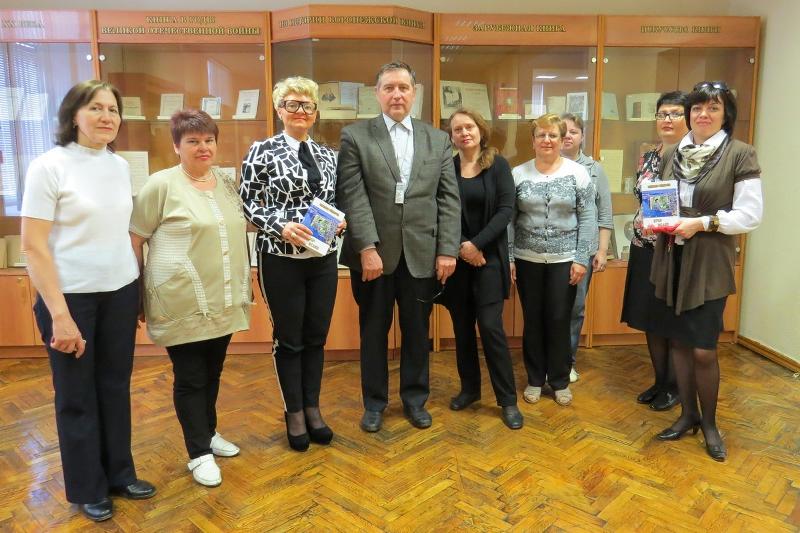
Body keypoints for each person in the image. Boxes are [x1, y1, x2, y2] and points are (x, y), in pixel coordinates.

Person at [20, 80, 155, 522]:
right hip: (70, 298)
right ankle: (88, 486)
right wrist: (59, 315)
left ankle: (119, 473)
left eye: (113, 110)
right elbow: (33, 247)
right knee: (76, 394)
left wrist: (136, 294)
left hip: (119, 290)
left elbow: (121, 234)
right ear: (73, 115)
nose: (106, 117)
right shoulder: (48, 167)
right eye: (96, 108)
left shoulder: (118, 166)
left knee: (115, 386)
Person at [336, 61, 461, 432]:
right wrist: (366, 247)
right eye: (388, 87)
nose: (396, 95)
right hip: (373, 256)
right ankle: (374, 404)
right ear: (377, 94)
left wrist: (447, 249)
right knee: (373, 332)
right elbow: (353, 195)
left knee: (417, 332)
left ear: (414, 93)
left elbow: (448, 199)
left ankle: (415, 400)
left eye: (403, 88)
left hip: (422, 254)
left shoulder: (437, 139)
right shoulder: (356, 136)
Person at [130, 109, 250, 486]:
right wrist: (136, 293)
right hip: (179, 299)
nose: (203, 147)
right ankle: (198, 453)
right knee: (191, 376)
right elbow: (135, 238)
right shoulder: (161, 185)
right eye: (193, 141)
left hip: (223, 297)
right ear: (176, 146)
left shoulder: (225, 182)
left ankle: (208, 434)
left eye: (208, 140)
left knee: (212, 371)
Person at [651, 81, 763, 461]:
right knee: (679, 343)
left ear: (726, 114)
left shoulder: (740, 153)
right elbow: (664, 201)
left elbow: (750, 215)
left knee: (702, 349)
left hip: (709, 260)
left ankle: (711, 425)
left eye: (713, 108)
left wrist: (702, 224)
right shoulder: (673, 152)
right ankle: (688, 416)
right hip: (672, 256)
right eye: (697, 108)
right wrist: (656, 219)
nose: (703, 114)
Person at [240, 77, 343, 452]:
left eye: (308, 105)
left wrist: (340, 220)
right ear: (279, 109)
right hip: (280, 260)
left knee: (316, 336)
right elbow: (247, 202)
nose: (301, 111)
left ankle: (313, 408)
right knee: (289, 340)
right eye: (292, 104)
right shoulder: (262, 151)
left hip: (323, 259)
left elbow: (335, 199)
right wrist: (280, 225)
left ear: (316, 112)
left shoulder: (328, 155)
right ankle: (294, 412)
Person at [442, 108, 522, 429]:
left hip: (489, 259)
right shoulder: (446, 168)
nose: (464, 133)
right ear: (451, 136)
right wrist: (464, 246)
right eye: (457, 129)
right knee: (462, 329)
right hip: (457, 260)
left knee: (490, 328)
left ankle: (508, 400)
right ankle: (470, 390)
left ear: (480, 130)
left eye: (469, 127)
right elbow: (441, 211)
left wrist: (476, 245)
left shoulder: (498, 164)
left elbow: (505, 211)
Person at [510, 113, 596, 407]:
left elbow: (588, 217)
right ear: (533, 141)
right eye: (541, 135)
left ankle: (559, 380)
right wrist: (509, 257)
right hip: (527, 259)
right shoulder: (518, 174)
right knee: (533, 319)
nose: (547, 140)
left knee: (560, 319)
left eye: (553, 135)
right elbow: (509, 219)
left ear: (562, 140)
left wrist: (582, 258)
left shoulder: (578, 174)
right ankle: (535, 379)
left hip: (566, 260)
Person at [621, 91, 689, 411]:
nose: (667, 120)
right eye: (662, 114)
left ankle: (675, 386)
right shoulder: (650, 155)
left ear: (689, 118)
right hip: (644, 247)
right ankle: (660, 380)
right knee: (650, 318)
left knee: (669, 320)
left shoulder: (692, 157)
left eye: (675, 114)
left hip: (674, 251)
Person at [560, 113, 613, 383]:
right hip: (553, 251)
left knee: (575, 309)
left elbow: (604, 214)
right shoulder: (548, 165)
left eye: (574, 131)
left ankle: (567, 362)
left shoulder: (594, 169)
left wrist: (601, 251)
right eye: (563, 131)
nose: (567, 136)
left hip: (584, 252)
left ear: (582, 136)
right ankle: (547, 361)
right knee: (551, 309)